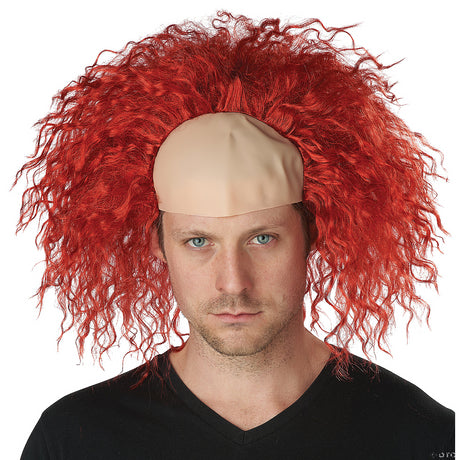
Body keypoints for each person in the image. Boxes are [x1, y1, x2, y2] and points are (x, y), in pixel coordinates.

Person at [17, 11, 454, 459]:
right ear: (158, 244)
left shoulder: (419, 436)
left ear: (313, 233)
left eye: (262, 238)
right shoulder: (74, 440)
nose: (233, 282)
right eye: (198, 241)